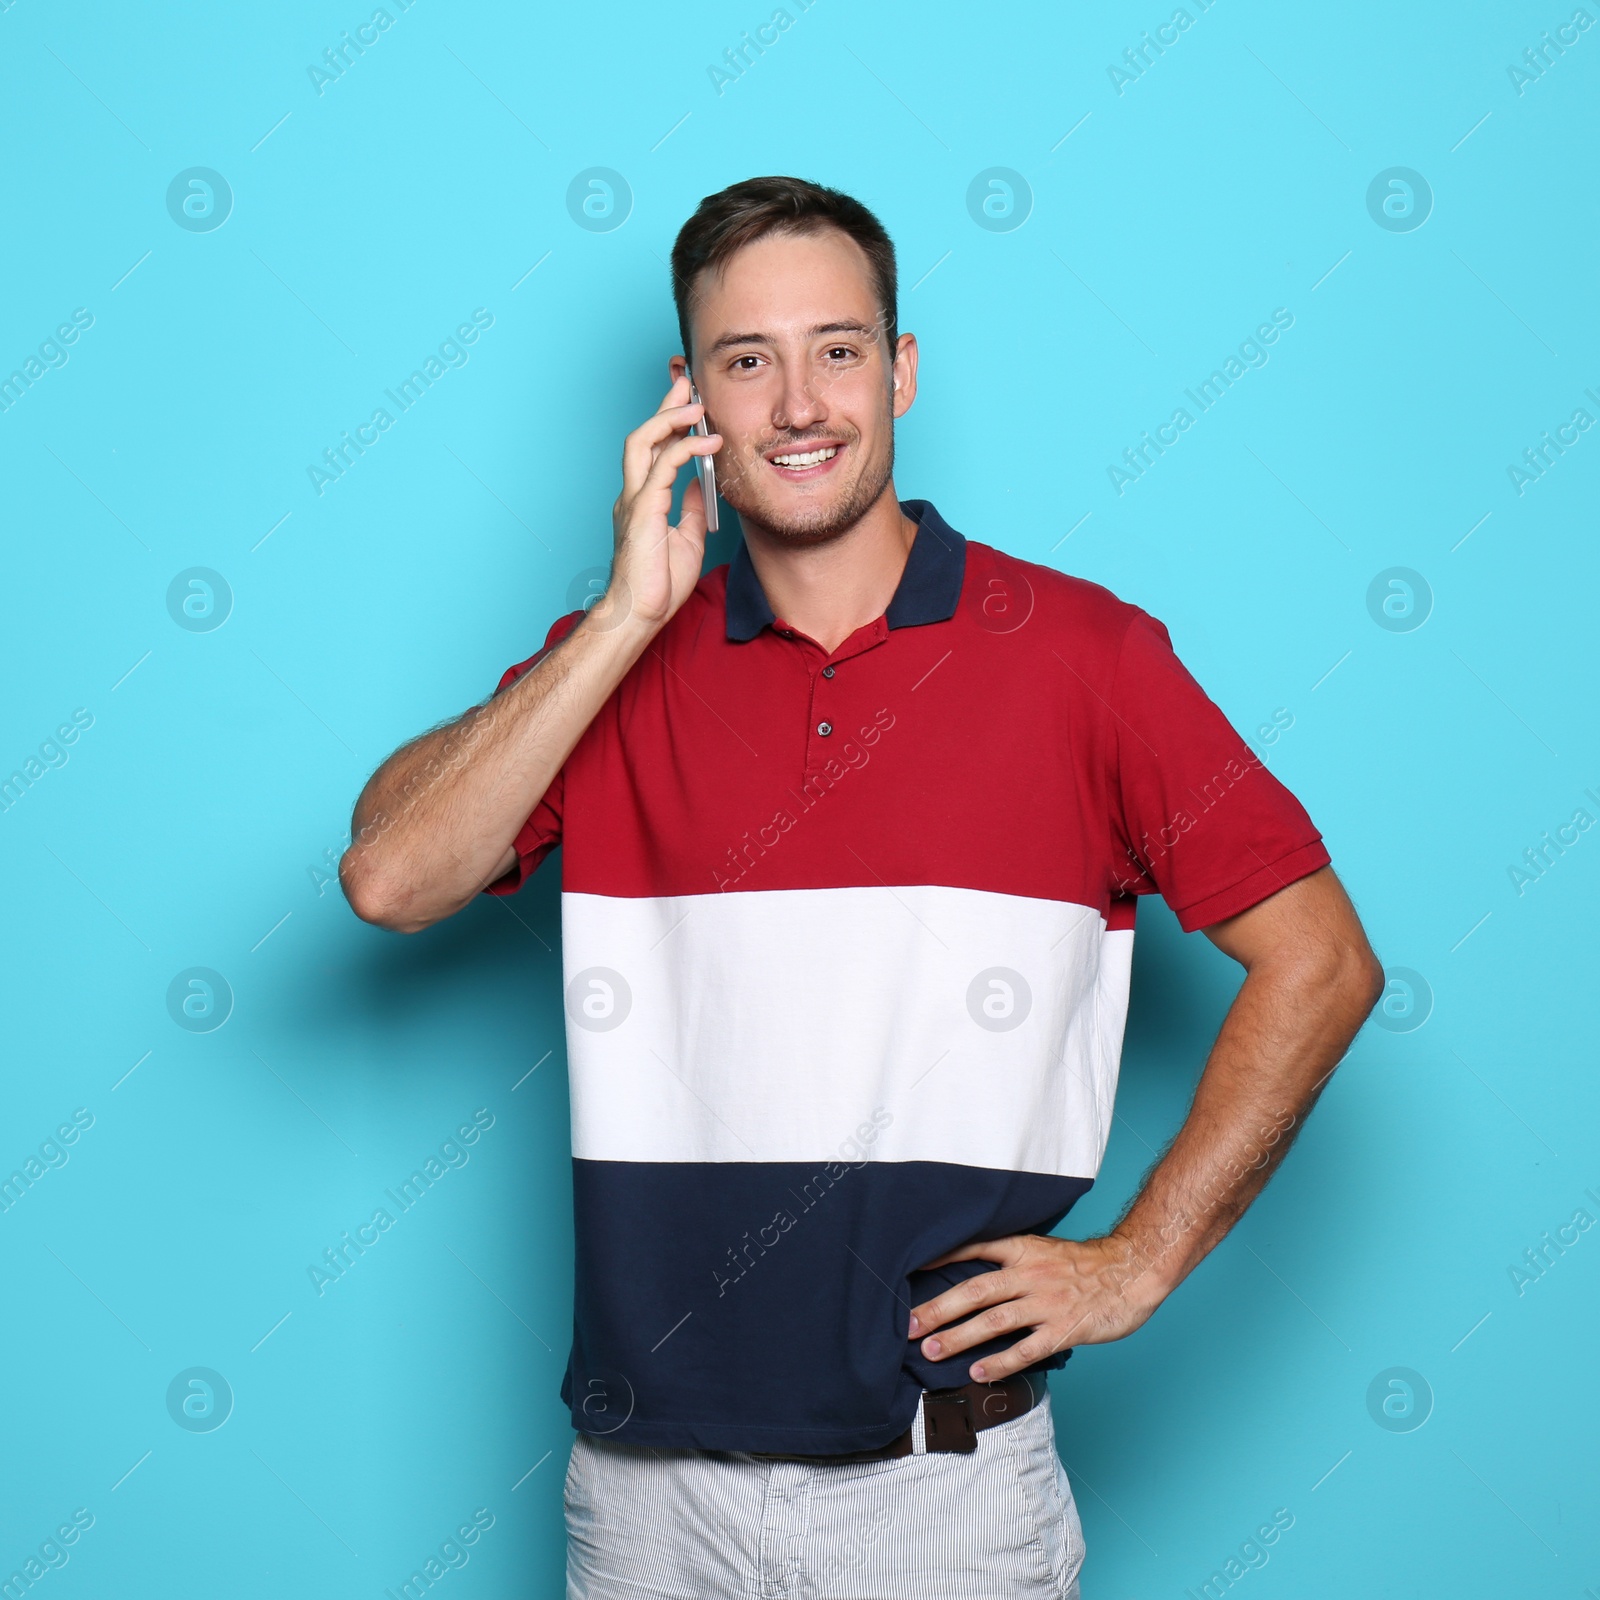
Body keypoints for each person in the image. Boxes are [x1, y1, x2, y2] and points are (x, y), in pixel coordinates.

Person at [340, 175, 1384, 1600]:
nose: (798, 403)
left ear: (899, 371)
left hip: (943, 1495)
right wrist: (623, 615)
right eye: (745, 360)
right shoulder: (618, 665)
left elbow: (1323, 960)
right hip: (644, 1506)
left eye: (837, 350)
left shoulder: (1086, 659)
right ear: (687, 398)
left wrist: (1137, 1262)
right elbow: (393, 878)